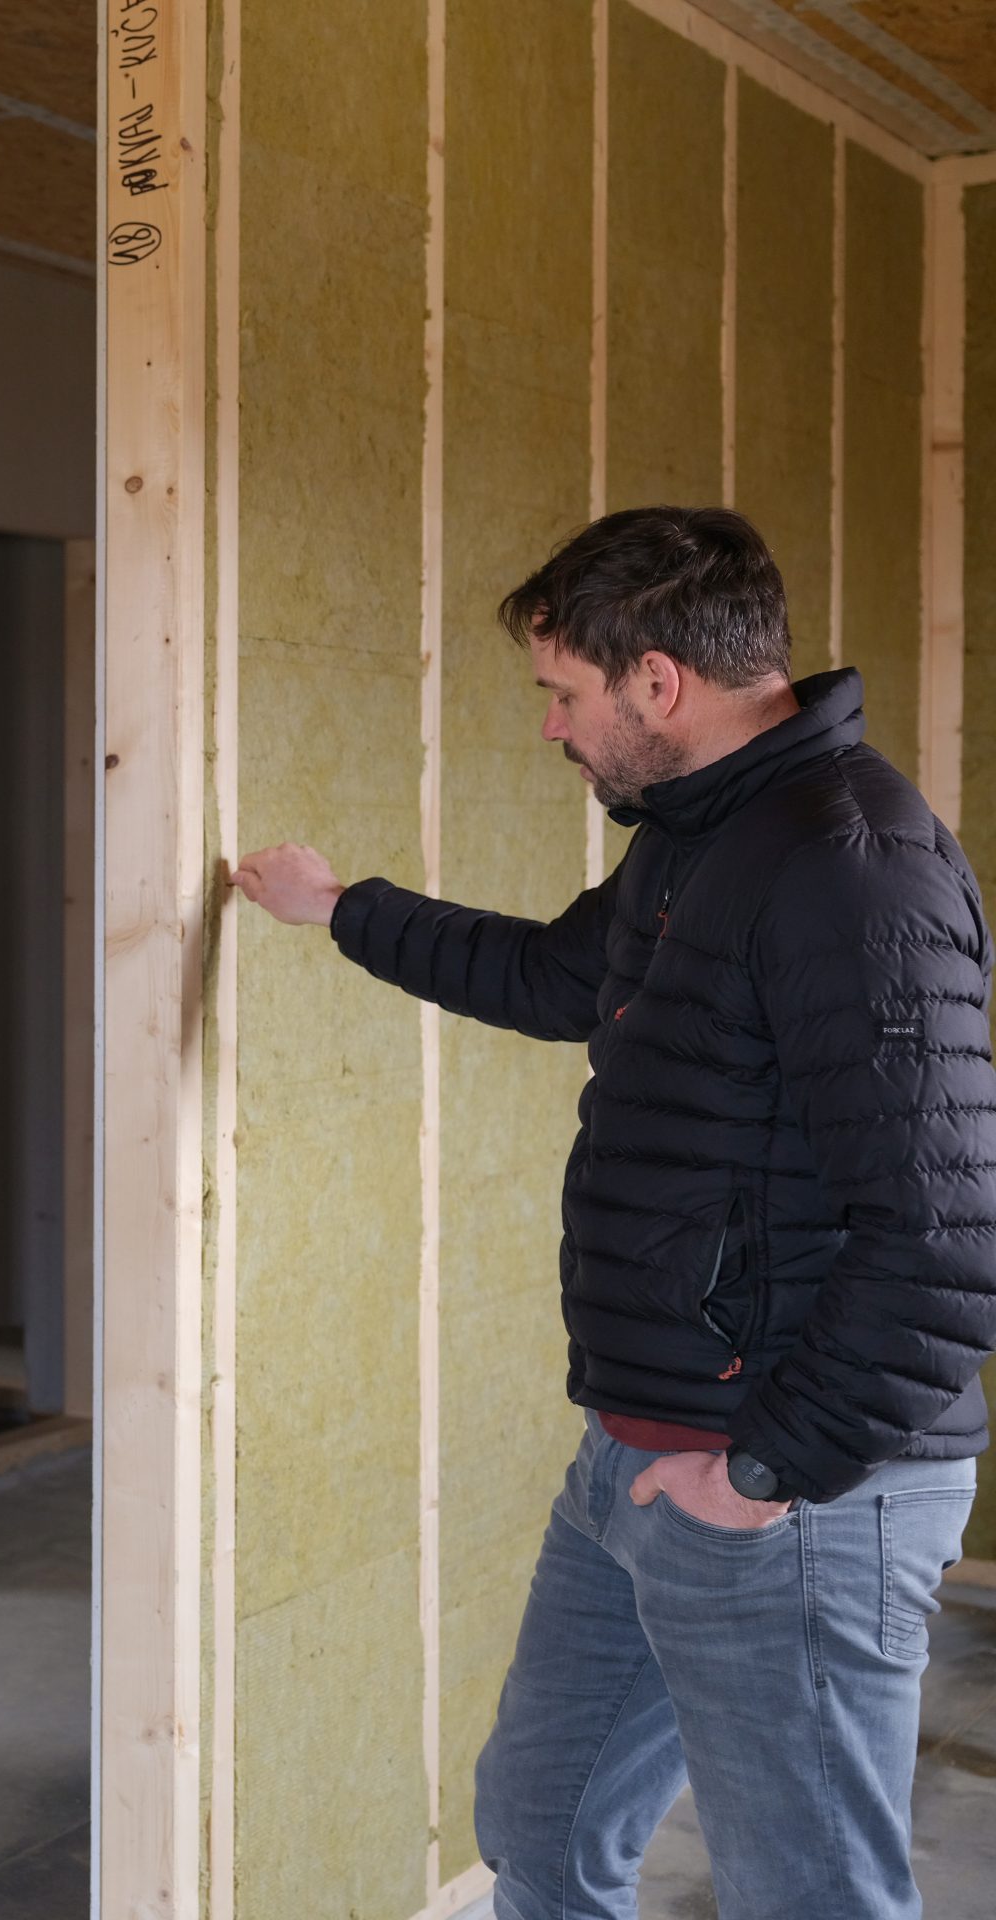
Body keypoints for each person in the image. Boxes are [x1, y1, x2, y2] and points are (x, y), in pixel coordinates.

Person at [233, 506, 996, 1920]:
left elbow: (944, 1242)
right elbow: (553, 976)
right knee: (543, 1827)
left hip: (792, 1492)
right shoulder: (702, 838)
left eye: (563, 694)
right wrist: (340, 908)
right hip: (640, 1463)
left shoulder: (847, 865)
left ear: (658, 682)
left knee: (811, 1898)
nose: (551, 727)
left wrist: (762, 1474)